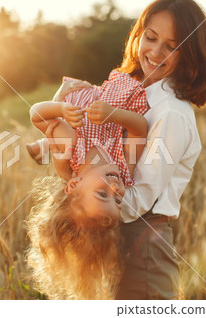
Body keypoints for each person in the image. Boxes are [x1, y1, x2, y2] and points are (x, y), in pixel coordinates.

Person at [29, 0, 206, 300]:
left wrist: (84, 189)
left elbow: (138, 198)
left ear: (190, 53)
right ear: (139, 34)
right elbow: (99, 139)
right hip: (113, 235)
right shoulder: (134, 90)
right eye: (151, 37)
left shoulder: (170, 113)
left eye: (171, 46)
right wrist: (68, 111)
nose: (155, 52)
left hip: (142, 240)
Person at [26, 68, 149, 300]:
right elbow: (140, 128)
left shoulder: (70, 153)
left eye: (102, 194)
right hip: (119, 95)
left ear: (74, 186)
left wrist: (61, 109)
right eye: (117, 200)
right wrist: (114, 114)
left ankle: (40, 147)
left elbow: (36, 114)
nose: (115, 188)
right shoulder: (123, 168)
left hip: (80, 94)